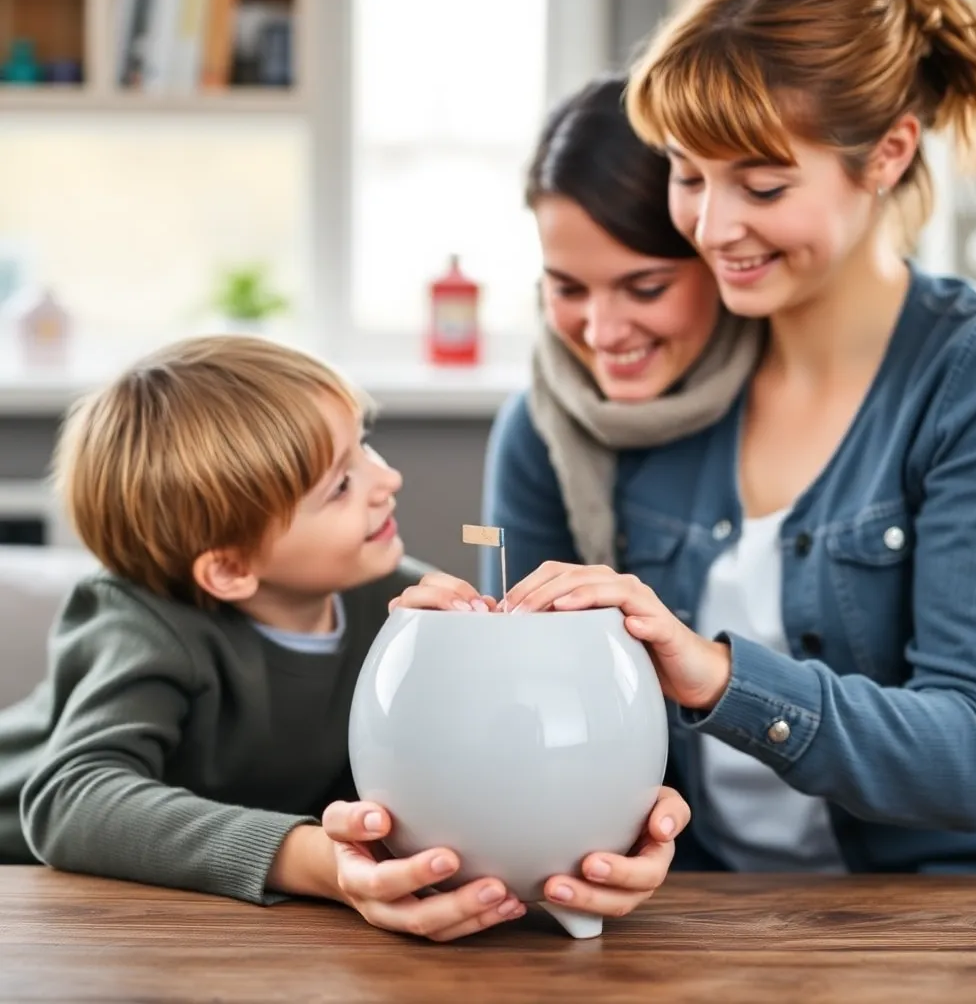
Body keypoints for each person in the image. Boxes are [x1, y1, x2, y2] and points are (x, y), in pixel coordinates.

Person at [478, 0, 976, 872]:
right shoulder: (643, 397)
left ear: (888, 154)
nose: (712, 226)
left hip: (936, 911)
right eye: (688, 176)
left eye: (762, 186)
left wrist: (720, 676)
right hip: (703, 909)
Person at [0, 335, 685, 941]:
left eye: (366, 446)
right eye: (340, 485)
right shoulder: (138, 620)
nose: (388, 480)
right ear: (231, 569)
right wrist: (315, 862)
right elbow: (69, 799)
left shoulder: (396, 607)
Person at [479, 74, 763, 594]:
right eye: (567, 289)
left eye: (646, 289)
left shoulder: (794, 395)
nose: (604, 334)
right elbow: (521, 642)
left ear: (718, 259)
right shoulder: (537, 432)